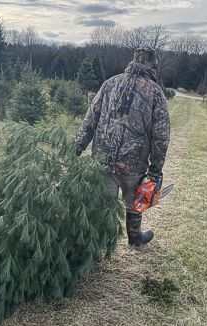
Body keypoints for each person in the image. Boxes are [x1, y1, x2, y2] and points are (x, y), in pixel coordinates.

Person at [76, 47, 170, 246]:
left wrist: (77, 148)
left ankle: (97, 244)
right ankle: (135, 237)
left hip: (102, 159)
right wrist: (155, 170)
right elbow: (161, 135)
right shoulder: (155, 92)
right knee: (134, 202)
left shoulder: (109, 83)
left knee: (103, 205)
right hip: (133, 164)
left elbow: (90, 120)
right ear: (153, 65)